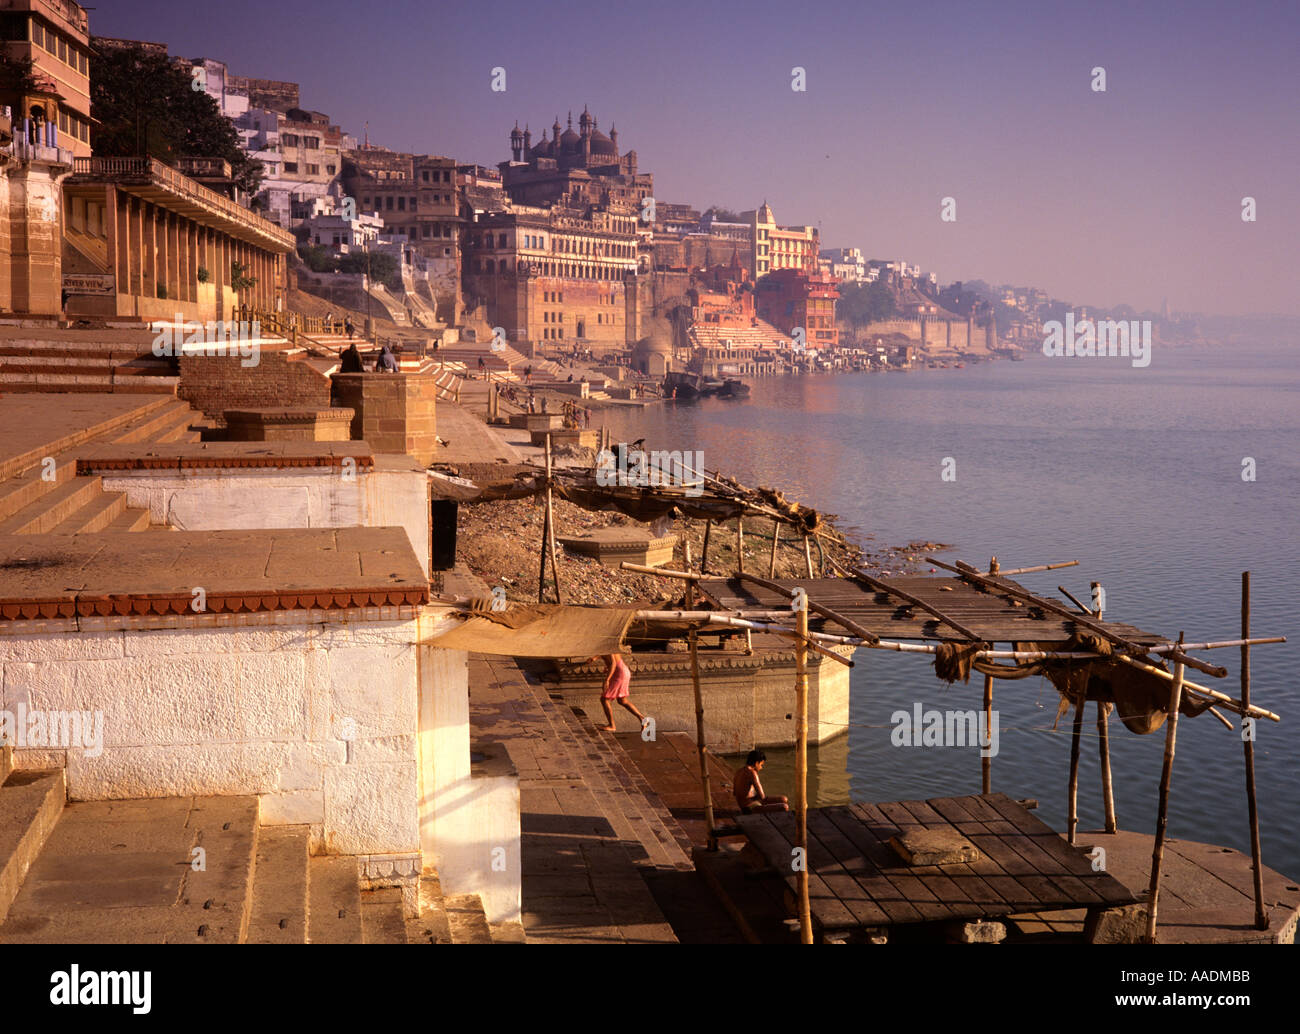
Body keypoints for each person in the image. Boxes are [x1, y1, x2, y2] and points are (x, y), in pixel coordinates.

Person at [594, 653, 647, 733]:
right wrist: (594, 658)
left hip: (620, 674)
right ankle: (642, 718)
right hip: (623, 672)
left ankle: (612, 725)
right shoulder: (604, 648)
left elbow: (613, 663)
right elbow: (606, 658)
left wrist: (607, 680)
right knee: (622, 700)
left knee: (605, 699)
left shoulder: (608, 647)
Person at [732, 749, 788, 814]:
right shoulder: (752, 773)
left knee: (784, 799)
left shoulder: (739, 771)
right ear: (756, 763)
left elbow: (734, 793)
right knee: (784, 807)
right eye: (761, 765)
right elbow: (762, 796)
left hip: (744, 805)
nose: (761, 768)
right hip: (750, 808)